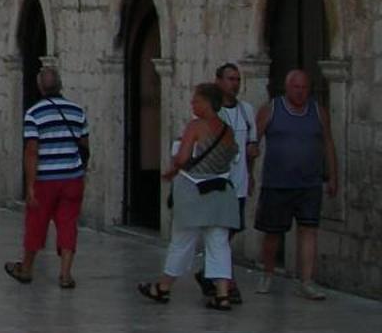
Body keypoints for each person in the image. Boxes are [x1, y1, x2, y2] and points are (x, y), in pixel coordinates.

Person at [137, 82, 241, 308]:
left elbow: (183, 158)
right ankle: (222, 295)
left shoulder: (195, 126)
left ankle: (163, 287)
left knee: (182, 242)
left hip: (194, 192)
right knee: (219, 244)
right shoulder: (228, 130)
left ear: (207, 103)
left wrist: (174, 166)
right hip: (221, 192)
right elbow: (233, 157)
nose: (193, 103)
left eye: (196, 100)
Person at [255, 68, 338, 299]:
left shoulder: (318, 112)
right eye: (296, 87)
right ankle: (268, 274)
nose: (300, 92)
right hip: (277, 183)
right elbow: (254, 142)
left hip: (309, 184)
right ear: (287, 87)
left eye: (304, 88)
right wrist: (249, 174)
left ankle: (307, 281)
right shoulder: (271, 110)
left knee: (308, 230)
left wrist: (333, 176)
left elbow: (328, 144)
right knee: (272, 233)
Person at [6, 67, 88, 288]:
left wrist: (30, 185)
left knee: (36, 223)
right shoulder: (77, 111)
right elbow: (85, 145)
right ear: (60, 85)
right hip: (72, 177)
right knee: (68, 224)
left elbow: (32, 150)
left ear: (40, 87)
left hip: (45, 180)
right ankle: (65, 275)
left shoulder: (34, 114)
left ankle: (26, 268)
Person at [197, 62, 258, 306]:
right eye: (230, 79)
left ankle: (210, 275)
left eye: (237, 79)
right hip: (217, 184)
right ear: (218, 81)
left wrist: (251, 174)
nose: (235, 84)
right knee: (220, 234)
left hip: (239, 184)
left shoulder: (246, 111)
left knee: (230, 232)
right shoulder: (210, 113)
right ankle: (224, 283)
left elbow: (251, 148)